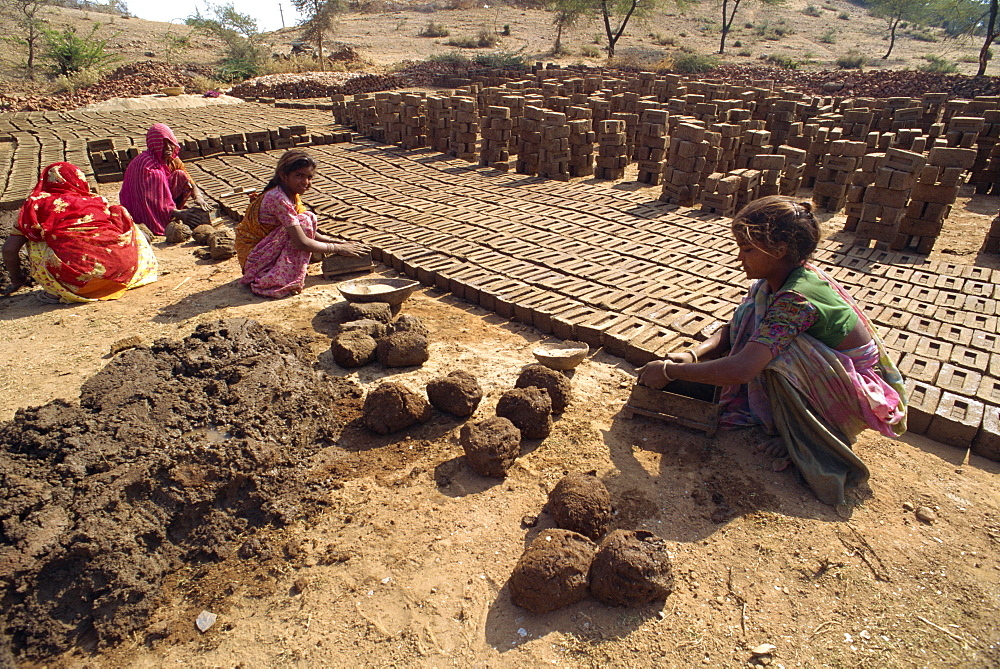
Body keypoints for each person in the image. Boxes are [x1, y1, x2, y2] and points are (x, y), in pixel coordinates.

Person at [638, 196, 907, 506]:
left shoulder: (797, 297)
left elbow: (742, 369)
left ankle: (813, 436)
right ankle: (790, 419)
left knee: (778, 360)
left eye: (748, 249)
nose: (740, 257)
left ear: (779, 250)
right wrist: (695, 355)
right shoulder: (777, 279)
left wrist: (670, 371)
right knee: (757, 319)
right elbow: (736, 323)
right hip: (829, 370)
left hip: (852, 389)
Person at [1, 162, 158, 303]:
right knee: (120, 213)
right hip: (121, 275)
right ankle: (133, 266)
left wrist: (18, 279)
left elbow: (9, 249)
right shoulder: (97, 200)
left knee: (34, 234)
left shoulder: (35, 205)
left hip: (79, 284)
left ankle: (58, 290)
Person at [235, 149, 368, 298]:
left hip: (264, 250)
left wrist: (340, 242)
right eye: (299, 176)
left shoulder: (290, 195)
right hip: (254, 259)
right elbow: (301, 242)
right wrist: (337, 248)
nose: (306, 182)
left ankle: (277, 269)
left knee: (307, 217)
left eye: (309, 177)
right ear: (284, 176)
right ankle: (274, 280)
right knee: (305, 220)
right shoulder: (277, 198)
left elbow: (305, 230)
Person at [119, 123, 207, 236]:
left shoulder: (173, 160)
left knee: (180, 175)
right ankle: (166, 216)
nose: (169, 148)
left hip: (161, 202)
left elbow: (189, 180)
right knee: (159, 177)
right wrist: (178, 214)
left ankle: (170, 212)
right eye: (163, 144)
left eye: (170, 143)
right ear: (154, 144)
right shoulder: (147, 165)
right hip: (141, 208)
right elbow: (148, 199)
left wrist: (198, 197)